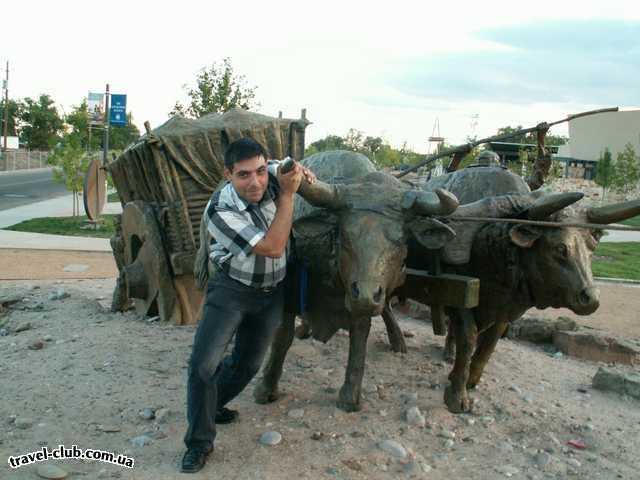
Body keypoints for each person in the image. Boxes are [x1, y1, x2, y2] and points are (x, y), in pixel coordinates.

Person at [181, 138, 315, 473]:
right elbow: (271, 247)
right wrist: (287, 194)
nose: (255, 182)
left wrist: (295, 171)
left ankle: (212, 406)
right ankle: (199, 443)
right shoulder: (220, 212)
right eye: (243, 175)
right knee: (203, 365)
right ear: (228, 175)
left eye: (259, 171)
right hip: (232, 290)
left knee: (247, 366)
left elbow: (280, 167)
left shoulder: (269, 174)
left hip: (271, 294)